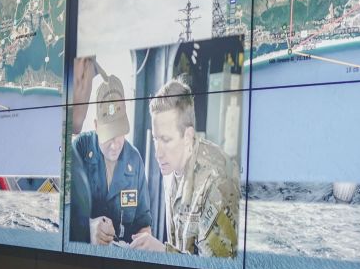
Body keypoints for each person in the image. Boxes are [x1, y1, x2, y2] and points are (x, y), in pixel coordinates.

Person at [130, 79, 240, 257]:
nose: (157, 153)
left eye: (165, 140)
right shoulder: (171, 165)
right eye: (155, 140)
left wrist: (162, 252)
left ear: (188, 136)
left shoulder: (217, 181)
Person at [71, 74, 152, 244]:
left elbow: (143, 223)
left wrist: (145, 241)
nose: (115, 145)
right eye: (109, 136)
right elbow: (64, 213)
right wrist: (89, 228)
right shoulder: (79, 149)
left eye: (119, 133)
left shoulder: (135, 160)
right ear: (96, 125)